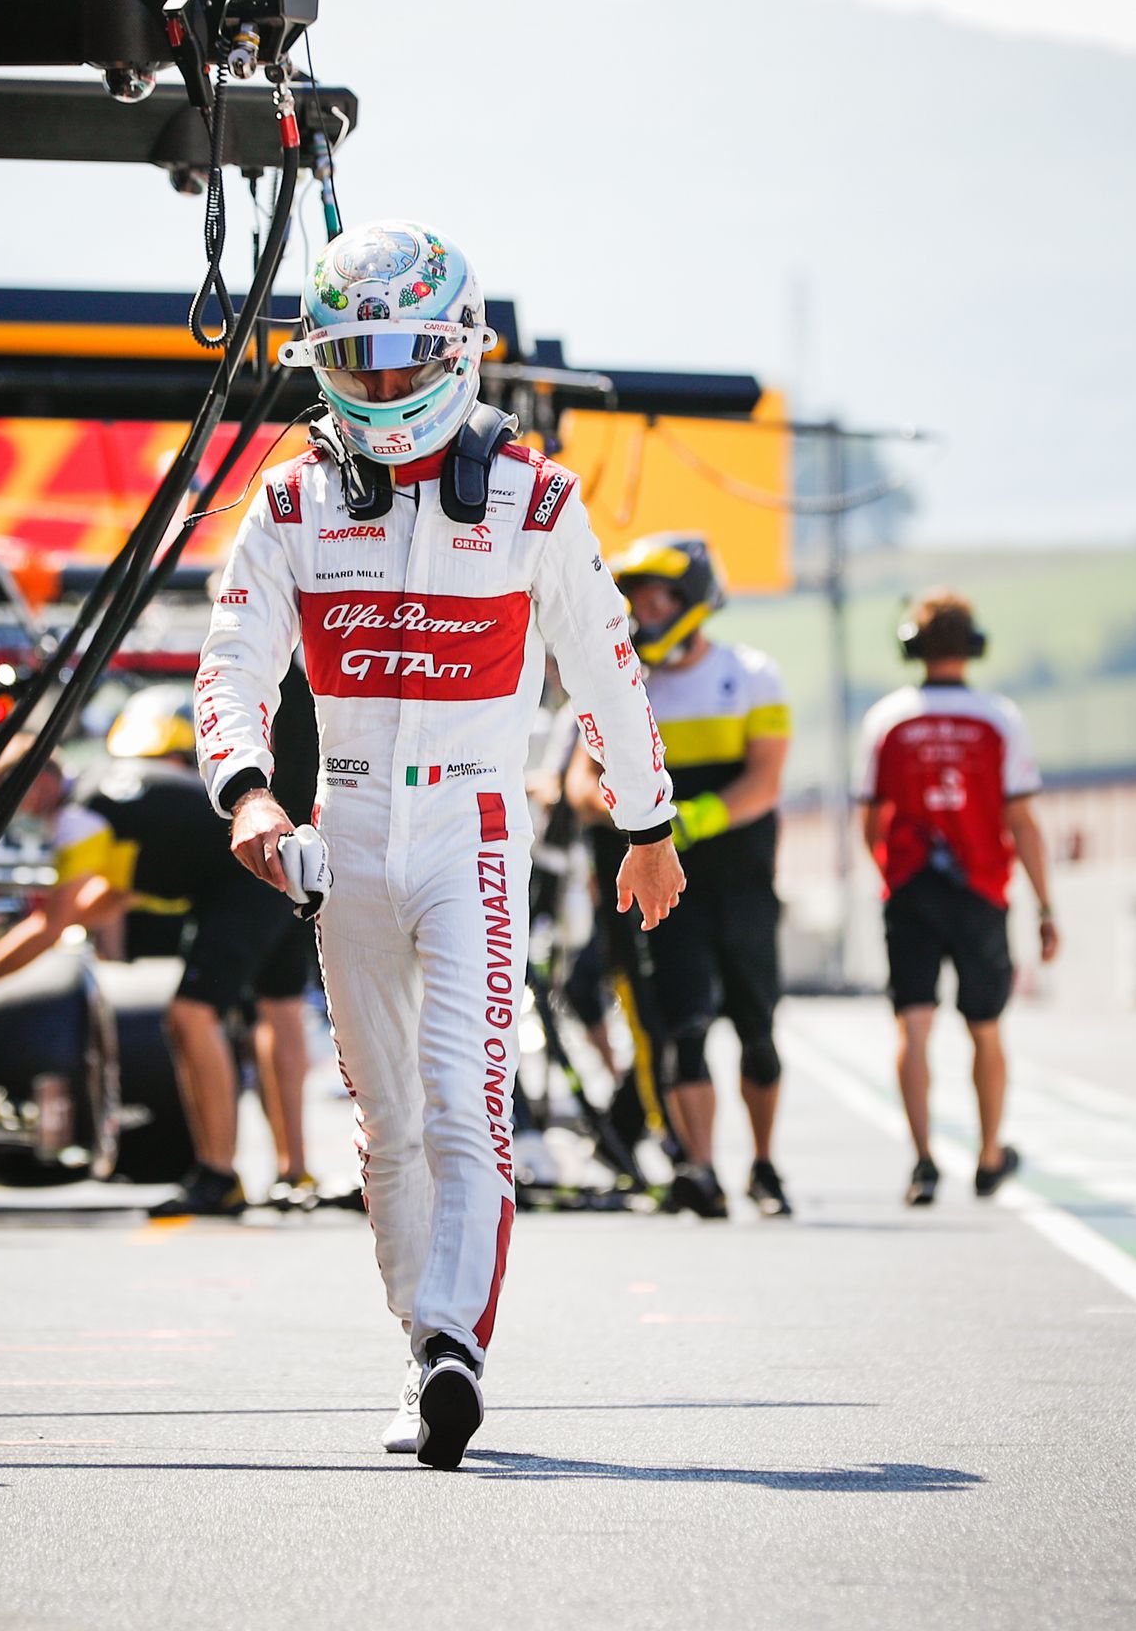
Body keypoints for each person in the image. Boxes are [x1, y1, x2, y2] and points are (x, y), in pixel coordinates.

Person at [195, 218, 683, 1470]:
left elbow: (607, 669)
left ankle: (455, 1345)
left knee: (468, 1101)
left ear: (459, 349)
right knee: (386, 1122)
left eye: (407, 354)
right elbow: (233, 664)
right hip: (345, 827)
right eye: (355, 359)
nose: (383, 381)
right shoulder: (291, 498)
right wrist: (247, 794)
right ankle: (424, 1344)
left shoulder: (537, 496)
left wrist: (648, 821)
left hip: (475, 822)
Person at [0, 686, 318, 1215]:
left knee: (190, 1016)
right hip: (267, 871)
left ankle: (218, 1174)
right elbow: (109, 897)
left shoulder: (80, 816)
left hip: (242, 885)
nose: (16, 813)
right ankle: (294, 1174)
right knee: (278, 1011)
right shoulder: (106, 786)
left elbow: (50, 925)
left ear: (40, 782)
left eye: (14, 798)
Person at [565, 532, 793, 1220]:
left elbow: (765, 782)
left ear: (693, 599)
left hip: (742, 885)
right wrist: (633, 821)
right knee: (683, 1029)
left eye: (660, 598)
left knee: (757, 1034)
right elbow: (581, 782)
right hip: (665, 894)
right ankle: (702, 1169)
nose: (645, 611)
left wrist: (684, 821)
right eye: (635, 598)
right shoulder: (622, 682)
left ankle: (764, 1167)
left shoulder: (752, 675)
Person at [852, 588, 1059, 1207]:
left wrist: (894, 873)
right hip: (981, 892)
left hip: (912, 889)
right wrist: (1045, 906)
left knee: (913, 1027)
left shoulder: (887, 720)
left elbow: (871, 822)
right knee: (986, 1029)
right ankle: (989, 1155)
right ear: (974, 647)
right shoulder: (1000, 719)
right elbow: (1022, 822)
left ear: (911, 646)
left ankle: (922, 1162)